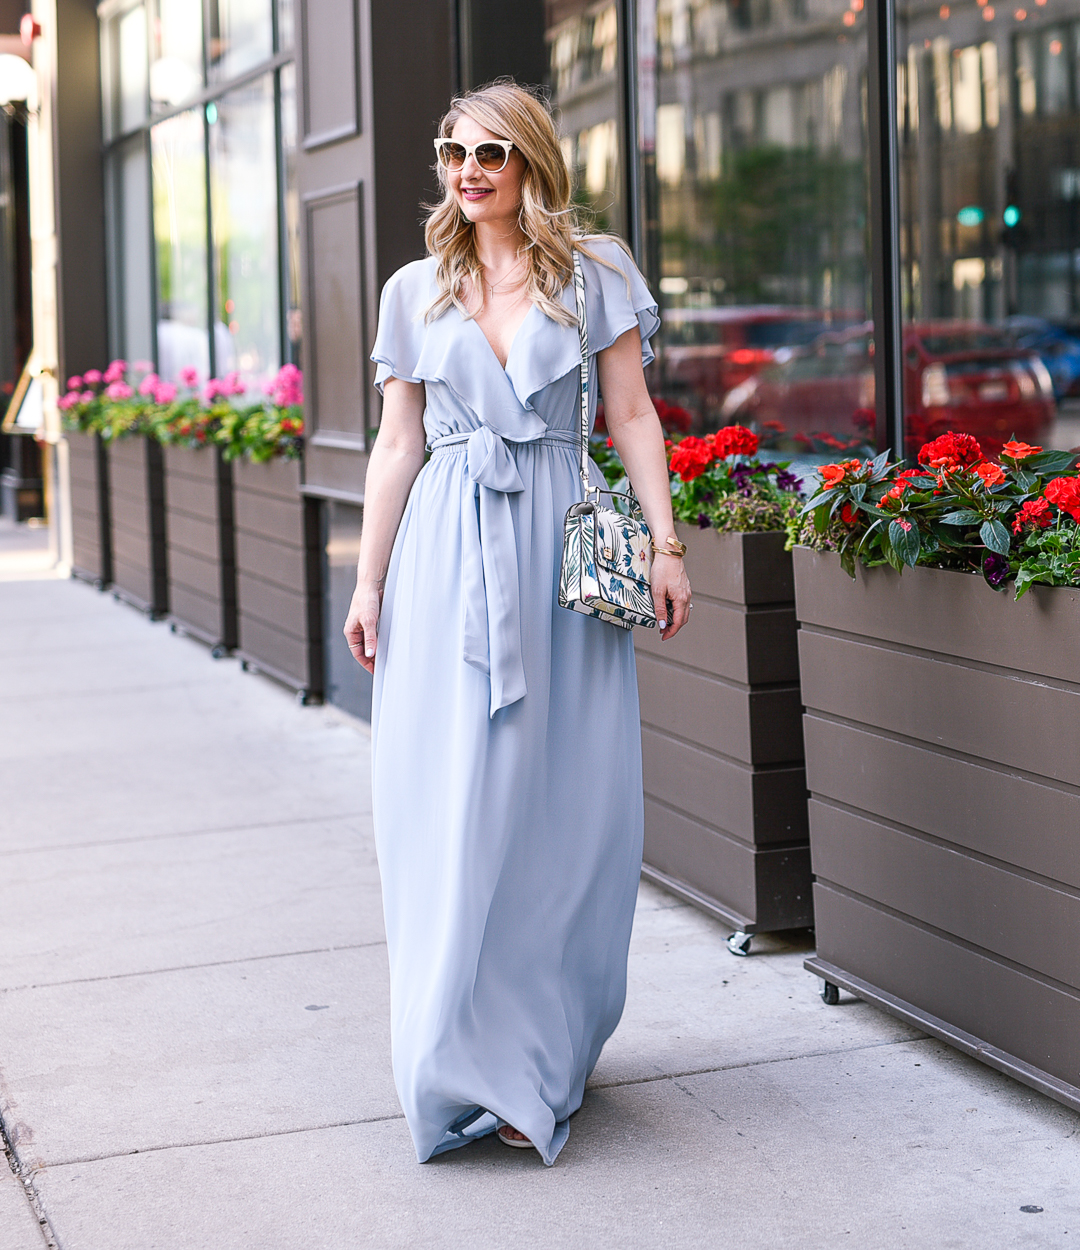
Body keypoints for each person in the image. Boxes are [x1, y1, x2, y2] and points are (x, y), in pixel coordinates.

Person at [343, 80, 691, 1166]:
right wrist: (368, 581)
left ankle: (541, 1047)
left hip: (555, 548)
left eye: (491, 151)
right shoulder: (415, 289)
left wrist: (667, 541)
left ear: (530, 158)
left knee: (563, 808)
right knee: (449, 799)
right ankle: (453, 1052)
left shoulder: (595, 276)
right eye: (453, 151)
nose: (469, 169)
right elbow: (397, 444)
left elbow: (630, 413)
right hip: (448, 553)